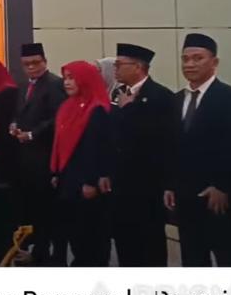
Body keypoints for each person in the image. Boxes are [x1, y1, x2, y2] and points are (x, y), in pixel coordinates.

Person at [165, 33, 231, 269]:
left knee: (227, 257)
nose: (190, 64)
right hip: (185, 195)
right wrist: (170, 185)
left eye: (198, 58)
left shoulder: (230, 97)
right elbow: (173, 147)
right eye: (185, 59)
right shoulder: (176, 100)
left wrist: (222, 185)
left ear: (214, 62)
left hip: (218, 196)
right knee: (192, 257)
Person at [107, 43, 175, 267]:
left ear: (138, 67)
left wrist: (129, 110)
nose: (115, 69)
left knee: (150, 243)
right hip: (120, 183)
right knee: (125, 242)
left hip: (147, 185)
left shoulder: (160, 96)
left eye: (119, 64)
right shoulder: (119, 93)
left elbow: (158, 139)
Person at [51, 61, 113, 266]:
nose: (67, 83)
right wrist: (56, 172)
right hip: (68, 179)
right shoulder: (67, 106)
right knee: (75, 233)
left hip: (87, 182)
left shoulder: (97, 109)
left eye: (72, 78)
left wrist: (91, 181)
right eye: (65, 78)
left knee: (91, 235)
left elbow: (98, 149)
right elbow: (60, 143)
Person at [11, 42, 67, 265]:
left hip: (44, 156)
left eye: (35, 63)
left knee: (45, 209)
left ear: (44, 61)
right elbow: (19, 113)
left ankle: (43, 253)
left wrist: (33, 134)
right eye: (27, 64)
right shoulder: (24, 86)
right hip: (25, 157)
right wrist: (14, 125)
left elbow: (57, 118)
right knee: (30, 206)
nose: (31, 68)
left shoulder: (55, 84)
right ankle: (31, 249)